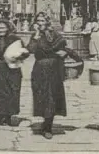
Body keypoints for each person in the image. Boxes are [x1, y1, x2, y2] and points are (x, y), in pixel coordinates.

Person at [27, 12, 68, 140]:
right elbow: (31, 50)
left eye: (42, 21)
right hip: (39, 69)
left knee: (51, 97)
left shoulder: (54, 34)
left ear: (47, 22)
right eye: (38, 21)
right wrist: (37, 35)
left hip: (53, 69)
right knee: (41, 96)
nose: (40, 23)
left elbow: (63, 47)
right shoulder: (35, 36)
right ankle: (46, 121)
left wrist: (64, 53)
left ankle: (48, 127)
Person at [0, 19, 28, 126]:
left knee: (11, 92)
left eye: (3, 28)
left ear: (8, 28)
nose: (0, 30)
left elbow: (25, 52)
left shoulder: (15, 39)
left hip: (12, 69)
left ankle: (8, 116)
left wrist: (17, 57)